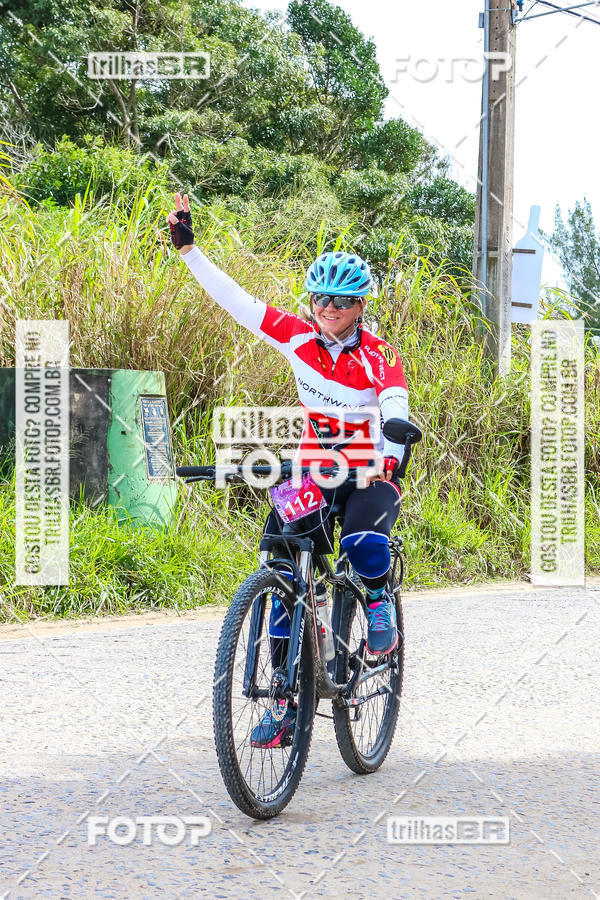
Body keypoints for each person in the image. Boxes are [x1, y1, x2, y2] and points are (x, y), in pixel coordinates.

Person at [167, 193, 409, 748]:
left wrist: (396, 432)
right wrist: (190, 252)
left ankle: (376, 603)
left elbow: (394, 399)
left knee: (365, 538)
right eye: (320, 298)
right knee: (280, 575)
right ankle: (282, 701)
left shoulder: (377, 353)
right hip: (313, 466)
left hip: (372, 466)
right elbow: (238, 302)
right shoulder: (297, 335)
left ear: (360, 305)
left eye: (341, 301)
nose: (328, 309)